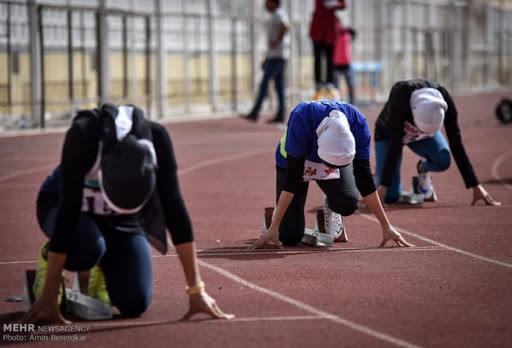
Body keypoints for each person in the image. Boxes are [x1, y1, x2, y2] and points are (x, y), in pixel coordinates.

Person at [22, 103, 234, 324]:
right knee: (89, 246)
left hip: (121, 218)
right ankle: (49, 259)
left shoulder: (157, 138)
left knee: (135, 302)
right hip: (62, 205)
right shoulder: (84, 134)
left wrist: (196, 290)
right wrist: (47, 295)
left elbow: (175, 209)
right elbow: (68, 212)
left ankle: (102, 269)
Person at [249, 100, 413, 250]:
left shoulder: (358, 123)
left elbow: (365, 179)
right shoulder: (301, 116)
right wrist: (274, 226)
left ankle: (331, 207)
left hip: (329, 156)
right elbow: (292, 179)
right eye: (330, 164)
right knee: (289, 236)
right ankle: (273, 216)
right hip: (294, 161)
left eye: (337, 165)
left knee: (347, 202)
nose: (329, 168)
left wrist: (386, 226)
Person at [374, 78, 501, 206]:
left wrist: (475, 185)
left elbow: (456, 143)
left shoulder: (445, 100)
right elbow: (395, 146)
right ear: (413, 113)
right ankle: (378, 177)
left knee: (442, 159)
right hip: (388, 135)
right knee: (390, 196)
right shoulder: (400, 96)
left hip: (423, 136)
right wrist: (384, 186)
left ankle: (422, 169)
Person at [240, 0, 290, 124]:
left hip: (277, 56)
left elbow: (285, 26)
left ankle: (255, 111)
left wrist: (277, 42)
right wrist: (268, 56)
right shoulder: (275, 15)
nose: (265, 4)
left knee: (264, 84)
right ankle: (280, 114)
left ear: (274, 2)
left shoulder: (279, 14)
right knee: (279, 86)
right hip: (275, 55)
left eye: (268, 1)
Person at [309, 0, 346, 100]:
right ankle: (318, 82)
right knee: (318, 57)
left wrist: (335, 4)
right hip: (318, 28)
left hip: (330, 30)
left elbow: (343, 4)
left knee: (330, 58)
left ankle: (329, 81)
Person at [333, 25, 356, 105]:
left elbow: (354, 34)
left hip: (346, 63)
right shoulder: (335, 33)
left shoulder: (347, 32)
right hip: (337, 63)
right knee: (336, 86)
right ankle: (337, 102)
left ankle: (352, 102)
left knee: (351, 84)